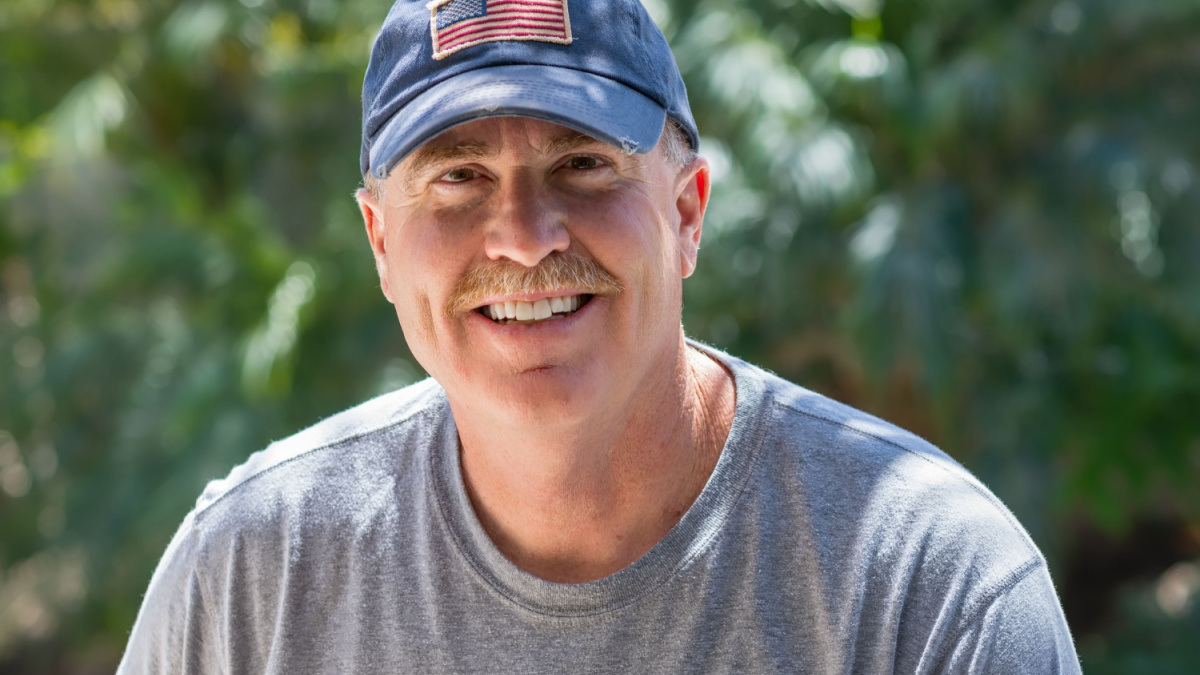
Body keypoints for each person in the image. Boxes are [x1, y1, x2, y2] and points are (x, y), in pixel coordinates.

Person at [118, 0, 1082, 672]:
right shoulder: (250, 575)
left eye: (582, 163)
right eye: (458, 178)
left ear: (688, 212)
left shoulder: (929, 583)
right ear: (379, 241)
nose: (525, 236)